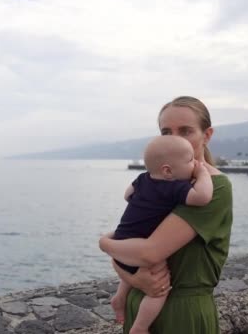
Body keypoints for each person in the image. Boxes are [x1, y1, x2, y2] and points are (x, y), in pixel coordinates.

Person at [99, 96, 233, 334]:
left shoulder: (215, 189)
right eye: (166, 132)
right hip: (140, 304)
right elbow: (130, 246)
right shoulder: (160, 182)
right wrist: (133, 277)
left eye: (185, 131)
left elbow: (149, 253)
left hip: (180, 314)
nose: (175, 139)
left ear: (207, 135)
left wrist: (105, 243)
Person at [109, 135, 213, 334]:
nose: (195, 164)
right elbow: (203, 197)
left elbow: (127, 195)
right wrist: (203, 174)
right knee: (159, 292)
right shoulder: (173, 187)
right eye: (190, 161)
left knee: (131, 270)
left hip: (122, 243)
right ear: (168, 171)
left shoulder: (142, 179)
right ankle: (140, 327)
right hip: (140, 250)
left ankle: (119, 298)